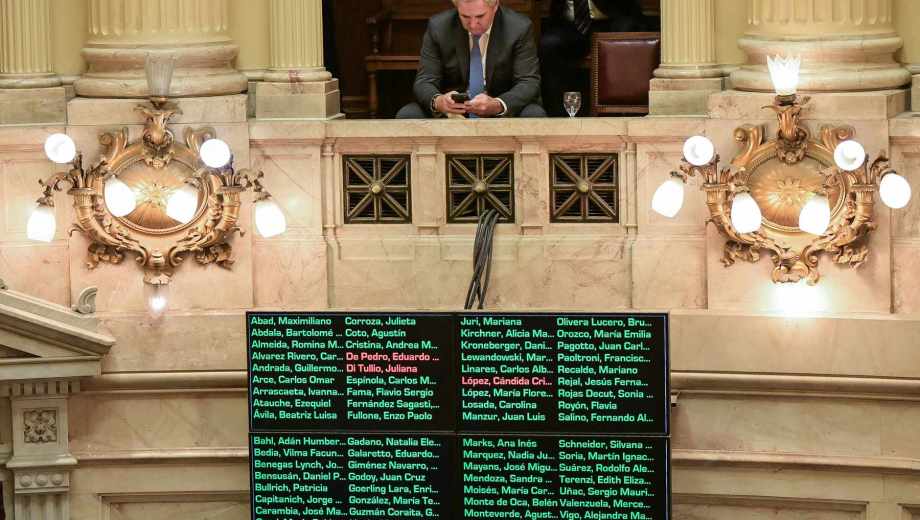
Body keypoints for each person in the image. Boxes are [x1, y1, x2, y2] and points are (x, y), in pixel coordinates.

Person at [396, 0, 545, 119]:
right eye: (465, 17)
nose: (473, 25)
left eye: (480, 16)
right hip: (453, 114)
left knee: (534, 114)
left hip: (500, 110)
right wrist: (439, 101)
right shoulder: (439, 27)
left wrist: (497, 104)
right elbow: (424, 80)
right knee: (408, 115)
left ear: (495, 7)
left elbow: (528, 82)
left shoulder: (518, 28)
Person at [540, 0, 650, 117]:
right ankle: (557, 114)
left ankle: (622, 110)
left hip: (610, 20)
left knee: (626, 35)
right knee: (548, 44)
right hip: (569, 24)